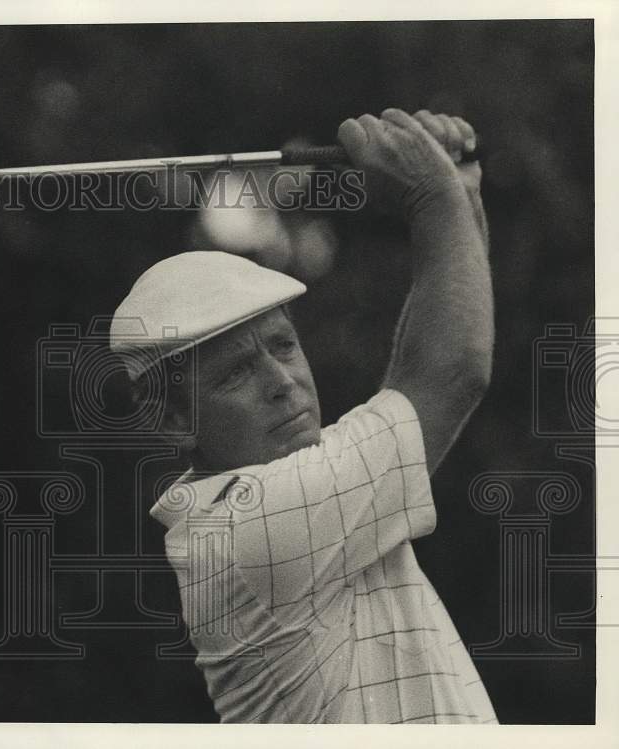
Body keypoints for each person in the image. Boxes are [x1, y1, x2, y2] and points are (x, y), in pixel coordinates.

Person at [109, 108, 496, 723]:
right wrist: (430, 193)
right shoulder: (248, 528)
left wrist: (460, 199)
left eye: (284, 346)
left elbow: (418, 377)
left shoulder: (302, 495)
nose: (282, 383)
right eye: (236, 373)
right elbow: (452, 371)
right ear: (171, 420)